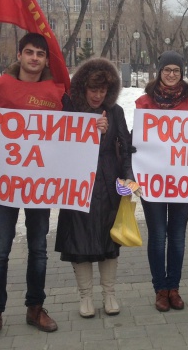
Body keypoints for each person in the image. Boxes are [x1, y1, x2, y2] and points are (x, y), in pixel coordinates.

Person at [0, 33, 72, 343]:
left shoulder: (57, 92)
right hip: (4, 184)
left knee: (39, 249)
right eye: (29, 52)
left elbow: (73, 129)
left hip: (39, 184)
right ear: (19, 55)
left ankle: (35, 307)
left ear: (45, 60)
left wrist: (95, 127)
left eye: (40, 54)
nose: (34, 58)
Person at [55, 57, 134, 318]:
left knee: (109, 240)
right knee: (79, 241)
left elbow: (124, 146)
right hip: (78, 184)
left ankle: (109, 294)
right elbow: (59, 144)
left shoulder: (115, 112)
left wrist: (128, 179)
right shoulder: (70, 109)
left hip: (109, 184)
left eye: (103, 90)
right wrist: (91, 131)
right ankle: (85, 296)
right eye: (93, 90)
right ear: (83, 88)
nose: (98, 95)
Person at [135, 51, 188, 312]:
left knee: (177, 236)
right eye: (167, 70)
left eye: (176, 70)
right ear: (159, 72)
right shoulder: (144, 102)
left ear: (182, 73)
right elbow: (138, 136)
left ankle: (174, 287)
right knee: (158, 236)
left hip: (183, 180)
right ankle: (160, 288)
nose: (171, 74)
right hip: (153, 180)